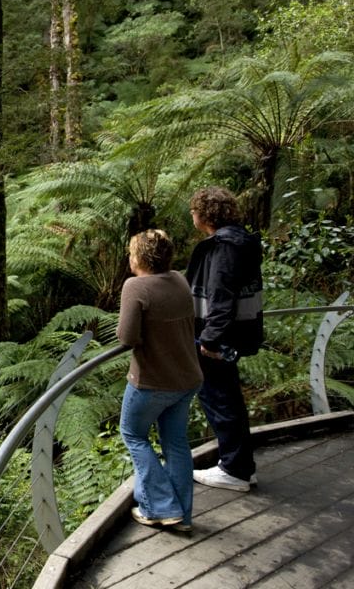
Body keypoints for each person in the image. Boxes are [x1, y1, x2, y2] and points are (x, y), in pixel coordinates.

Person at [117, 229, 203, 531]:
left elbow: (126, 337)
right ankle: (182, 516)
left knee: (133, 434)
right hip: (188, 377)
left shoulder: (136, 287)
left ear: (140, 257)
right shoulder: (178, 279)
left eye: (131, 252)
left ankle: (159, 508)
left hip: (152, 382)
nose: (129, 257)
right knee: (176, 443)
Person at [186, 186, 264, 492]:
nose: (192, 215)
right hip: (236, 332)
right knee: (228, 397)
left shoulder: (223, 247)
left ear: (205, 215)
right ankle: (242, 465)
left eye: (194, 211)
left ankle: (234, 469)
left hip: (218, 337)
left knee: (219, 399)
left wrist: (210, 338)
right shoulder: (241, 241)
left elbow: (220, 296)